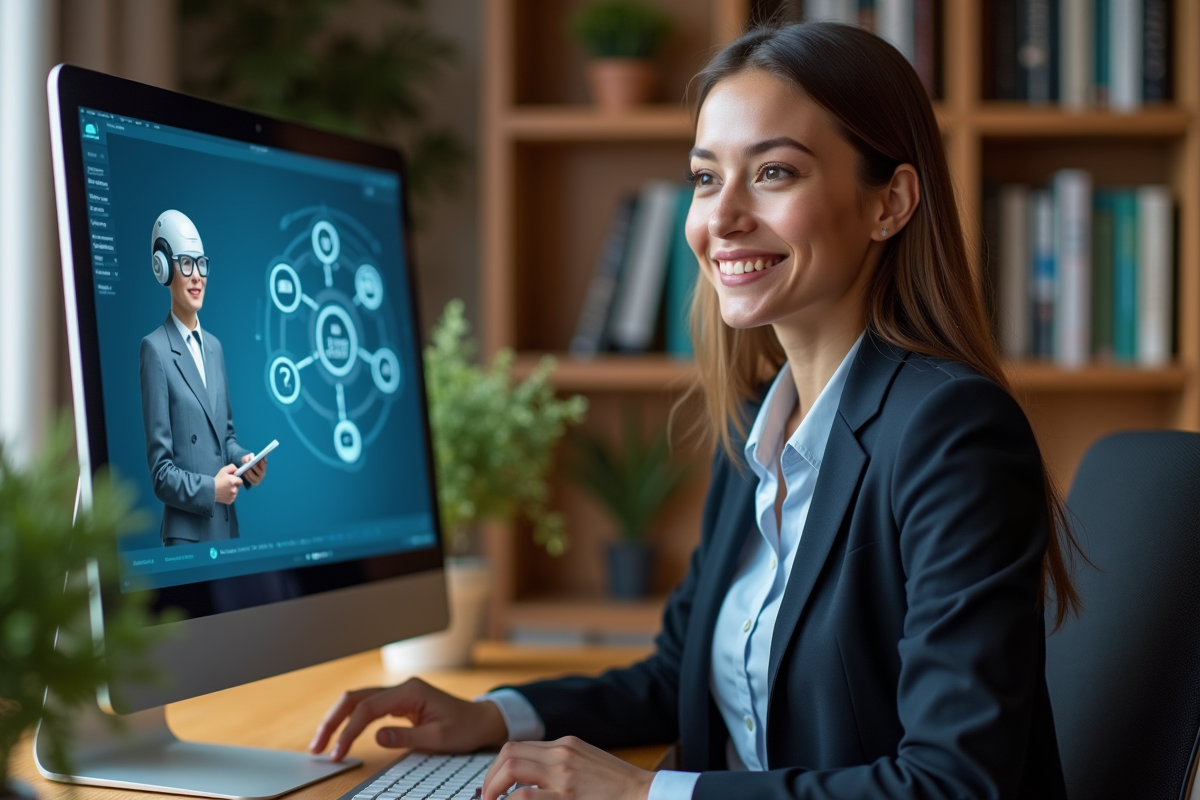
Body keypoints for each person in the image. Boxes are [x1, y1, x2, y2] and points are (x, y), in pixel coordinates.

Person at [309, 23, 1081, 800]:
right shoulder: (757, 424)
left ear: (891, 202)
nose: (723, 218)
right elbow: (683, 674)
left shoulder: (953, 433)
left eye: (775, 172)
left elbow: (953, 784)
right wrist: (494, 716)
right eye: (706, 178)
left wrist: (647, 796)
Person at [139, 209, 267, 546]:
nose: (197, 276)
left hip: (226, 530)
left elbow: (224, 436)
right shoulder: (154, 350)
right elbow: (161, 474)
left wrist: (243, 461)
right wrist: (212, 490)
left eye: (201, 264)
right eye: (185, 264)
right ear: (163, 269)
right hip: (189, 539)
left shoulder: (215, 348)